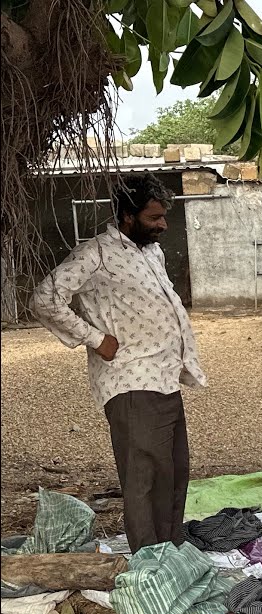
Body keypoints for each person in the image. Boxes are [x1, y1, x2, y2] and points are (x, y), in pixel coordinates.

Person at [30, 173, 205, 553]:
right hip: (130, 379)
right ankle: (150, 559)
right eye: (153, 217)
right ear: (127, 215)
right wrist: (95, 339)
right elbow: (45, 298)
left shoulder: (151, 252)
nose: (163, 225)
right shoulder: (95, 254)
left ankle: (171, 550)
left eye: (163, 216)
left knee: (174, 472)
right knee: (145, 477)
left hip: (163, 375)